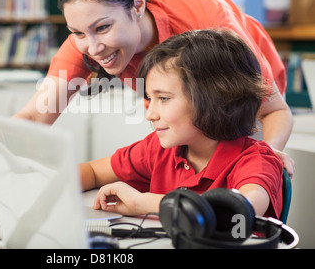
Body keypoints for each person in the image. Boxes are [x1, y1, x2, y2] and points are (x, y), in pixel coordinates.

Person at [14, 0, 295, 177]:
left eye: (102, 28)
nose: (93, 47)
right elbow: (35, 116)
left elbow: (273, 111)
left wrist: (267, 155)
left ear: (137, 5)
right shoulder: (87, 42)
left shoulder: (208, 22)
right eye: (77, 32)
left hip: (248, 102)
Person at [80, 29, 283, 218]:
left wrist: (142, 202)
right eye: (150, 98)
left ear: (215, 99)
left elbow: (235, 211)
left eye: (164, 98)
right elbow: (93, 172)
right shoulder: (158, 149)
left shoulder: (256, 162)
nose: (150, 115)